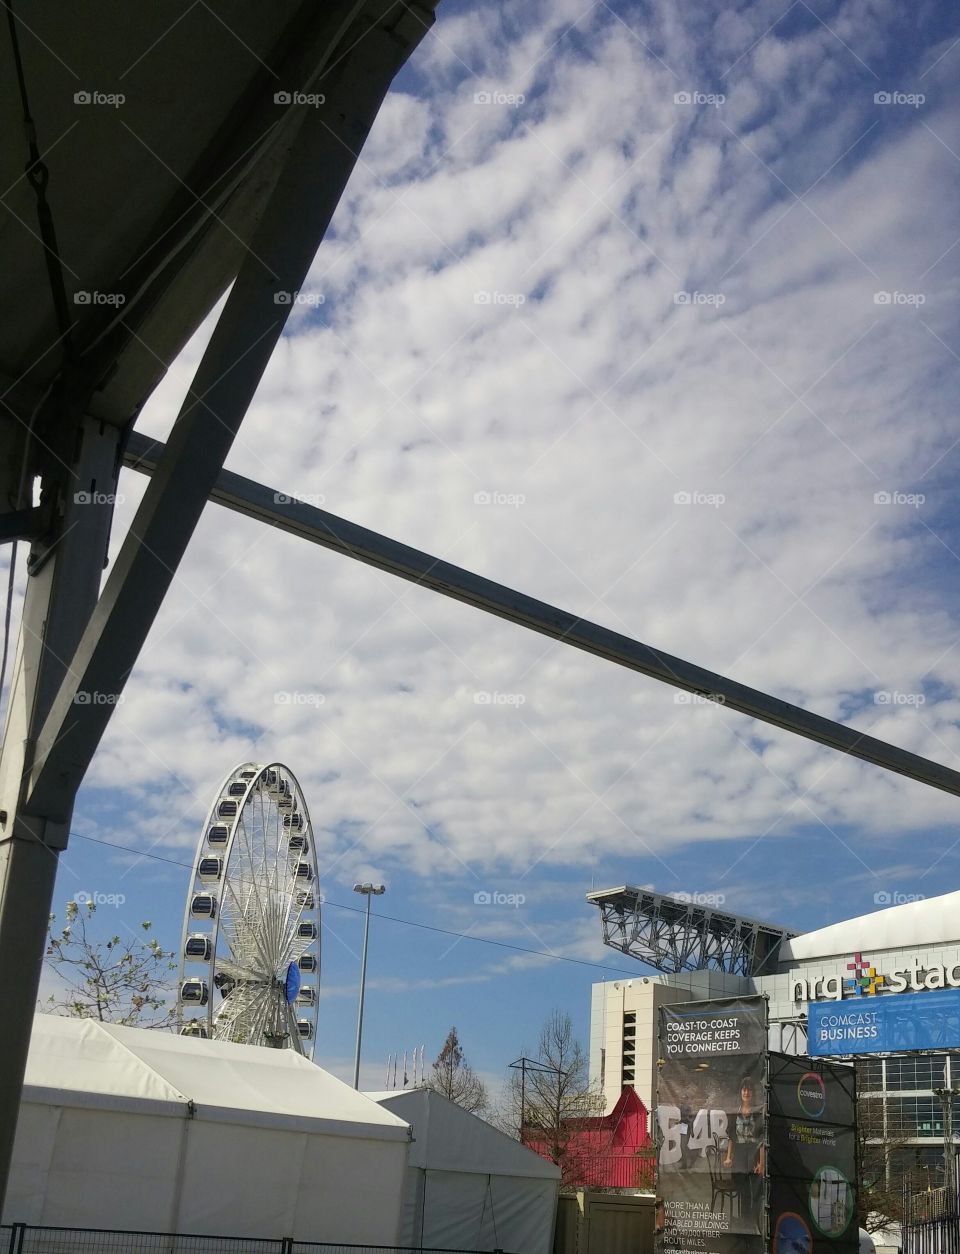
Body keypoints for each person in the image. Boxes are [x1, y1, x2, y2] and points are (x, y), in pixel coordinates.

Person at [723, 1075, 765, 1230]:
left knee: (755, 1191)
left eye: (749, 1090)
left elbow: (761, 1140)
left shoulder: (758, 1113)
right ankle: (744, 1223)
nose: (746, 1092)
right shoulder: (735, 1113)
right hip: (739, 1155)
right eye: (744, 1089)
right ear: (740, 1092)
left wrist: (761, 1163)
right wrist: (728, 1157)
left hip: (753, 1154)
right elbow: (731, 1138)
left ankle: (754, 1223)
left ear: (752, 1093)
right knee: (743, 1192)